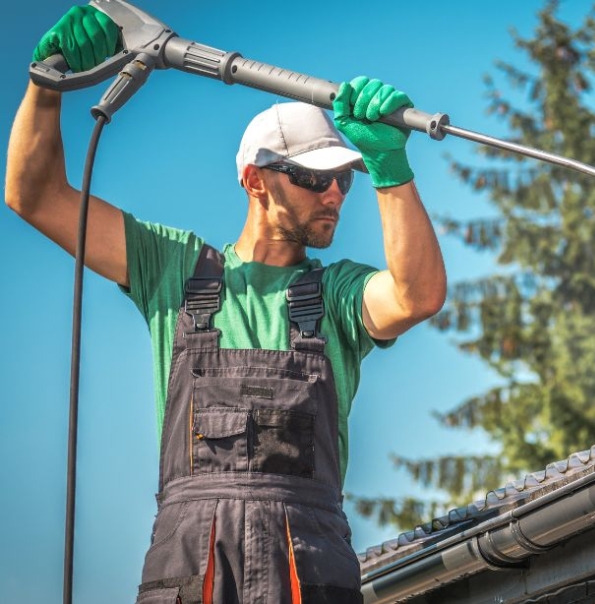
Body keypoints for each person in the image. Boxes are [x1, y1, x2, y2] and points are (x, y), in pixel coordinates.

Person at [6, 5, 446, 603]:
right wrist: (46, 84)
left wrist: (390, 169)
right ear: (255, 179)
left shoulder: (338, 294)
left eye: (345, 178)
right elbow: (35, 196)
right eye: (315, 179)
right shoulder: (175, 270)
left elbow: (416, 296)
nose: (336, 194)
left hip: (307, 564)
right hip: (193, 561)